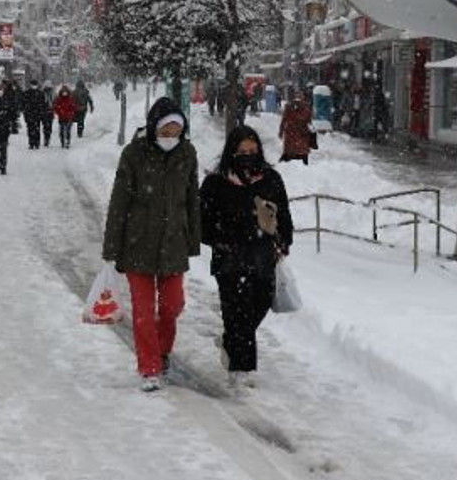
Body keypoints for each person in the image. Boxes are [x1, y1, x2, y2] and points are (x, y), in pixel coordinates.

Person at [102, 97, 201, 392]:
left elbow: (191, 199)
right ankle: (149, 367)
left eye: (175, 133)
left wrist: (192, 240)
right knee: (143, 311)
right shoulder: (134, 154)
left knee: (172, 306)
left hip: (173, 243)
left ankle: (163, 350)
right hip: (138, 244)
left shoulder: (187, 153)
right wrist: (111, 248)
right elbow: (119, 201)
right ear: (154, 127)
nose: (170, 138)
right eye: (165, 132)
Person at [199, 125, 294, 389]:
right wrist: (222, 239)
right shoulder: (215, 183)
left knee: (258, 305)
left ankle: (232, 342)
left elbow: (284, 215)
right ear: (231, 152)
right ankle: (240, 371)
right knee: (236, 312)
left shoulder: (270, 179)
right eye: (241, 151)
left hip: (263, 259)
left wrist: (283, 241)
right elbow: (201, 223)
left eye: (252, 151)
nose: (247, 155)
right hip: (229, 261)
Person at [279, 94, 314, 165]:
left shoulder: (288, 108)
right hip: (301, 133)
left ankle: (284, 163)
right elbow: (309, 122)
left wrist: (281, 131)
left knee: (289, 150)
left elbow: (284, 120)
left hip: (291, 132)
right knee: (302, 151)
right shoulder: (306, 109)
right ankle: (304, 164)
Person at [22, 80, 48, 150]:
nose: (33, 86)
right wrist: (25, 112)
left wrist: (42, 113)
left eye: (35, 85)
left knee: (37, 129)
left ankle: (36, 143)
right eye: (32, 84)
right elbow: (23, 104)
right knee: (30, 129)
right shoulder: (27, 93)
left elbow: (43, 104)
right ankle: (31, 143)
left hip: (37, 114)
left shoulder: (40, 93)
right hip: (29, 114)